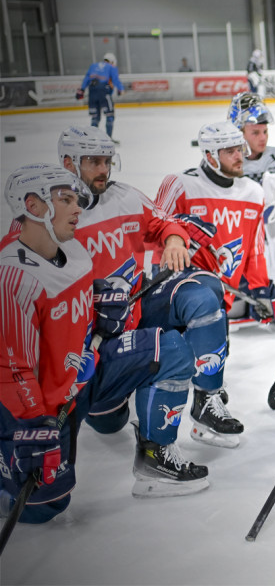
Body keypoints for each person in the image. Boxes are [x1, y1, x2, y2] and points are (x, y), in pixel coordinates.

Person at [0, 163, 201, 524]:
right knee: (46, 506)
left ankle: (155, 458)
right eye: (65, 200)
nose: (78, 208)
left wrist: (100, 301)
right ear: (33, 206)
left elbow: (74, 305)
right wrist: (31, 424)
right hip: (42, 403)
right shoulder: (13, 274)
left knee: (170, 349)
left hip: (86, 369)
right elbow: (9, 368)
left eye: (76, 199)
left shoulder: (72, 249)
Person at [54, 126, 229, 492]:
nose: (103, 170)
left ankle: (166, 443)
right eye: (92, 162)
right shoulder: (54, 219)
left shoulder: (126, 198)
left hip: (131, 319)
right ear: (69, 163)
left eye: (106, 161)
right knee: (104, 426)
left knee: (195, 308)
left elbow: (164, 222)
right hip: (82, 351)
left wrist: (176, 240)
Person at [153, 121, 275, 446]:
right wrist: (170, 252)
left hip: (219, 294)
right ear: (209, 155)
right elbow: (155, 231)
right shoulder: (180, 185)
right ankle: (162, 436)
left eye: (241, 149)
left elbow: (254, 247)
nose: (241, 156)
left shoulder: (252, 192)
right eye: (231, 151)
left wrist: (260, 289)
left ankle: (204, 413)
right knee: (175, 363)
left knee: (214, 352)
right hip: (177, 289)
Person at [227, 92, 275, 326]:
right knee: (234, 308)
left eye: (265, 131)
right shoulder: (228, 164)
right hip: (243, 241)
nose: (262, 138)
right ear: (237, 132)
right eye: (255, 132)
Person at [76, 53, 124, 140]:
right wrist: (121, 89)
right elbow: (115, 79)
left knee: (95, 117)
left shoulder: (93, 66)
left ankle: (92, 139)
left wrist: (82, 90)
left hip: (92, 91)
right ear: (112, 61)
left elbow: (87, 78)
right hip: (104, 91)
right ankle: (109, 139)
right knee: (110, 115)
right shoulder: (111, 67)